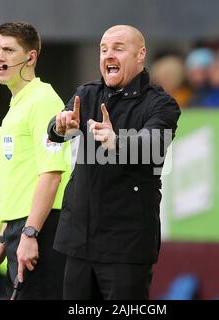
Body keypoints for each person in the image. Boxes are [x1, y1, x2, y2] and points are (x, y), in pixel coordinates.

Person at [47, 25, 181, 299]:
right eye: (104, 49)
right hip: (79, 243)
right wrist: (60, 127)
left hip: (126, 247)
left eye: (118, 48)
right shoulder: (86, 94)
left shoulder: (161, 104)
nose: (109, 55)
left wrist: (116, 141)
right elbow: (54, 131)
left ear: (140, 54)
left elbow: (153, 146)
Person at [0, 22, 71, 299]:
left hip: (42, 229)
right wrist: (1, 243)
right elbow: (17, 186)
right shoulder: (15, 108)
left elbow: (52, 173)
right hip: (20, 230)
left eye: (8, 50)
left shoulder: (43, 101)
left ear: (31, 57)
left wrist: (30, 235)